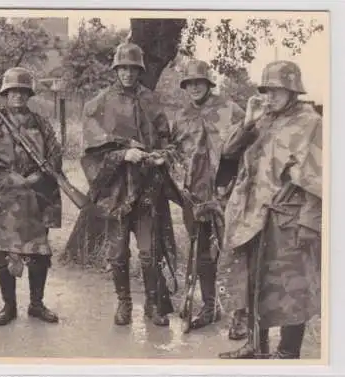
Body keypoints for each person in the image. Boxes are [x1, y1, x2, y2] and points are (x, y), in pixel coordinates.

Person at [66, 42, 181, 327]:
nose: (128, 73)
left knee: (148, 252)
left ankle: (153, 305)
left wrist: (160, 157)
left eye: (133, 68)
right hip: (116, 192)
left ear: (139, 70)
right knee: (117, 254)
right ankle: (124, 302)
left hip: (147, 190)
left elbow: (167, 139)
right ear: (116, 69)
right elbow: (91, 151)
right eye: (123, 68)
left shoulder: (151, 100)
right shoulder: (99, 103)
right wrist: (121, 155)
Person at [218, 60, 322, 359]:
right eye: (267, 89)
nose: (271, 95)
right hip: (253, 215)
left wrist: (310, 223)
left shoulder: (311, 122)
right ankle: (255, 345)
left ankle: (288, 353)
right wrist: (249, 120)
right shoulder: (263, 120)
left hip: (289, 217)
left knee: (293, 286)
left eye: (277, 89)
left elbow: (321, 176)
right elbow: (228, 153)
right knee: (252, 280)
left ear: (293, 89)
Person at [0, 67, 63, 326]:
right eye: (13, 91)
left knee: (39, 255)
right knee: (4, 255)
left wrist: (37, 177)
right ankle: (9, 306)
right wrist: (12, 179)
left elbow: (55, 154)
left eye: (23, 91)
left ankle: (36, 304)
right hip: (5, 199)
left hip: (37, 198)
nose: (18, 96)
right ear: (5, 93)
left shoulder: (41, 123)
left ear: (29, 94)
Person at [169, 59, 248, 336]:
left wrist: (232, 190)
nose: (194, 87)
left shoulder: (231, 110)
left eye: (198, 82)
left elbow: (249, 151)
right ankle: (209, 307)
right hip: (195, 198)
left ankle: (241, 314)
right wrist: (183, 187)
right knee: (202, 254)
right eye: (189, 83)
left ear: (208, 83)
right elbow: (174, 154)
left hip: (227, 197)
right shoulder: (180, 116)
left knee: (233, 254)